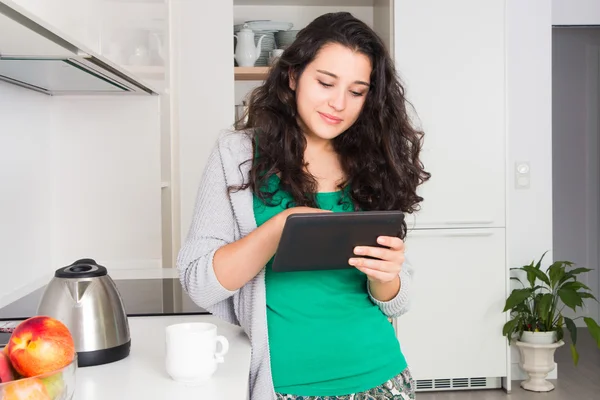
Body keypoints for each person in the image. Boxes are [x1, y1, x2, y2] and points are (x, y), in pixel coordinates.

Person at [177, 11, 431, 400]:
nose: (339, 103)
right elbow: (199, 282)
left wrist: (386, 276)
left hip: (382, 378)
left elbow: (397, 301)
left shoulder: (374, 161)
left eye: (357, 91)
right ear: (293, 76)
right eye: (326, 82)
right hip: (287, 387)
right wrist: (282, 227)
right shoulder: (238, 153)